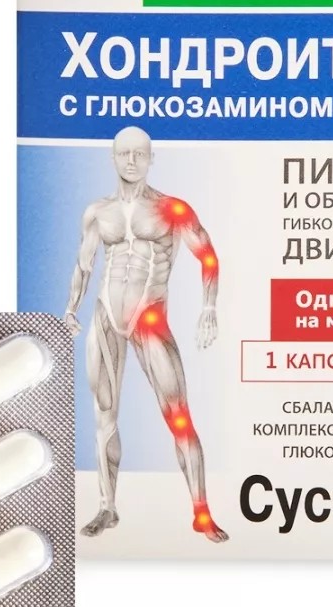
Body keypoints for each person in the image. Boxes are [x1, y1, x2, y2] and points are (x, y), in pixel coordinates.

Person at [65, 126, 228, 543]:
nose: (132, 161)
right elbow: (84, 265)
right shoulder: (97, 212)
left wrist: (209, 308)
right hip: (106, 314)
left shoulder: (171, 209)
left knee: (178, 414)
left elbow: (207, 255)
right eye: (124, 153)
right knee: (105, 416)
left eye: (140, 153)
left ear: (152, 158)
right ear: (113, 158)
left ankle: (201, 512)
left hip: (148, 316)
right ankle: (107, 507)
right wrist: (71, 309)